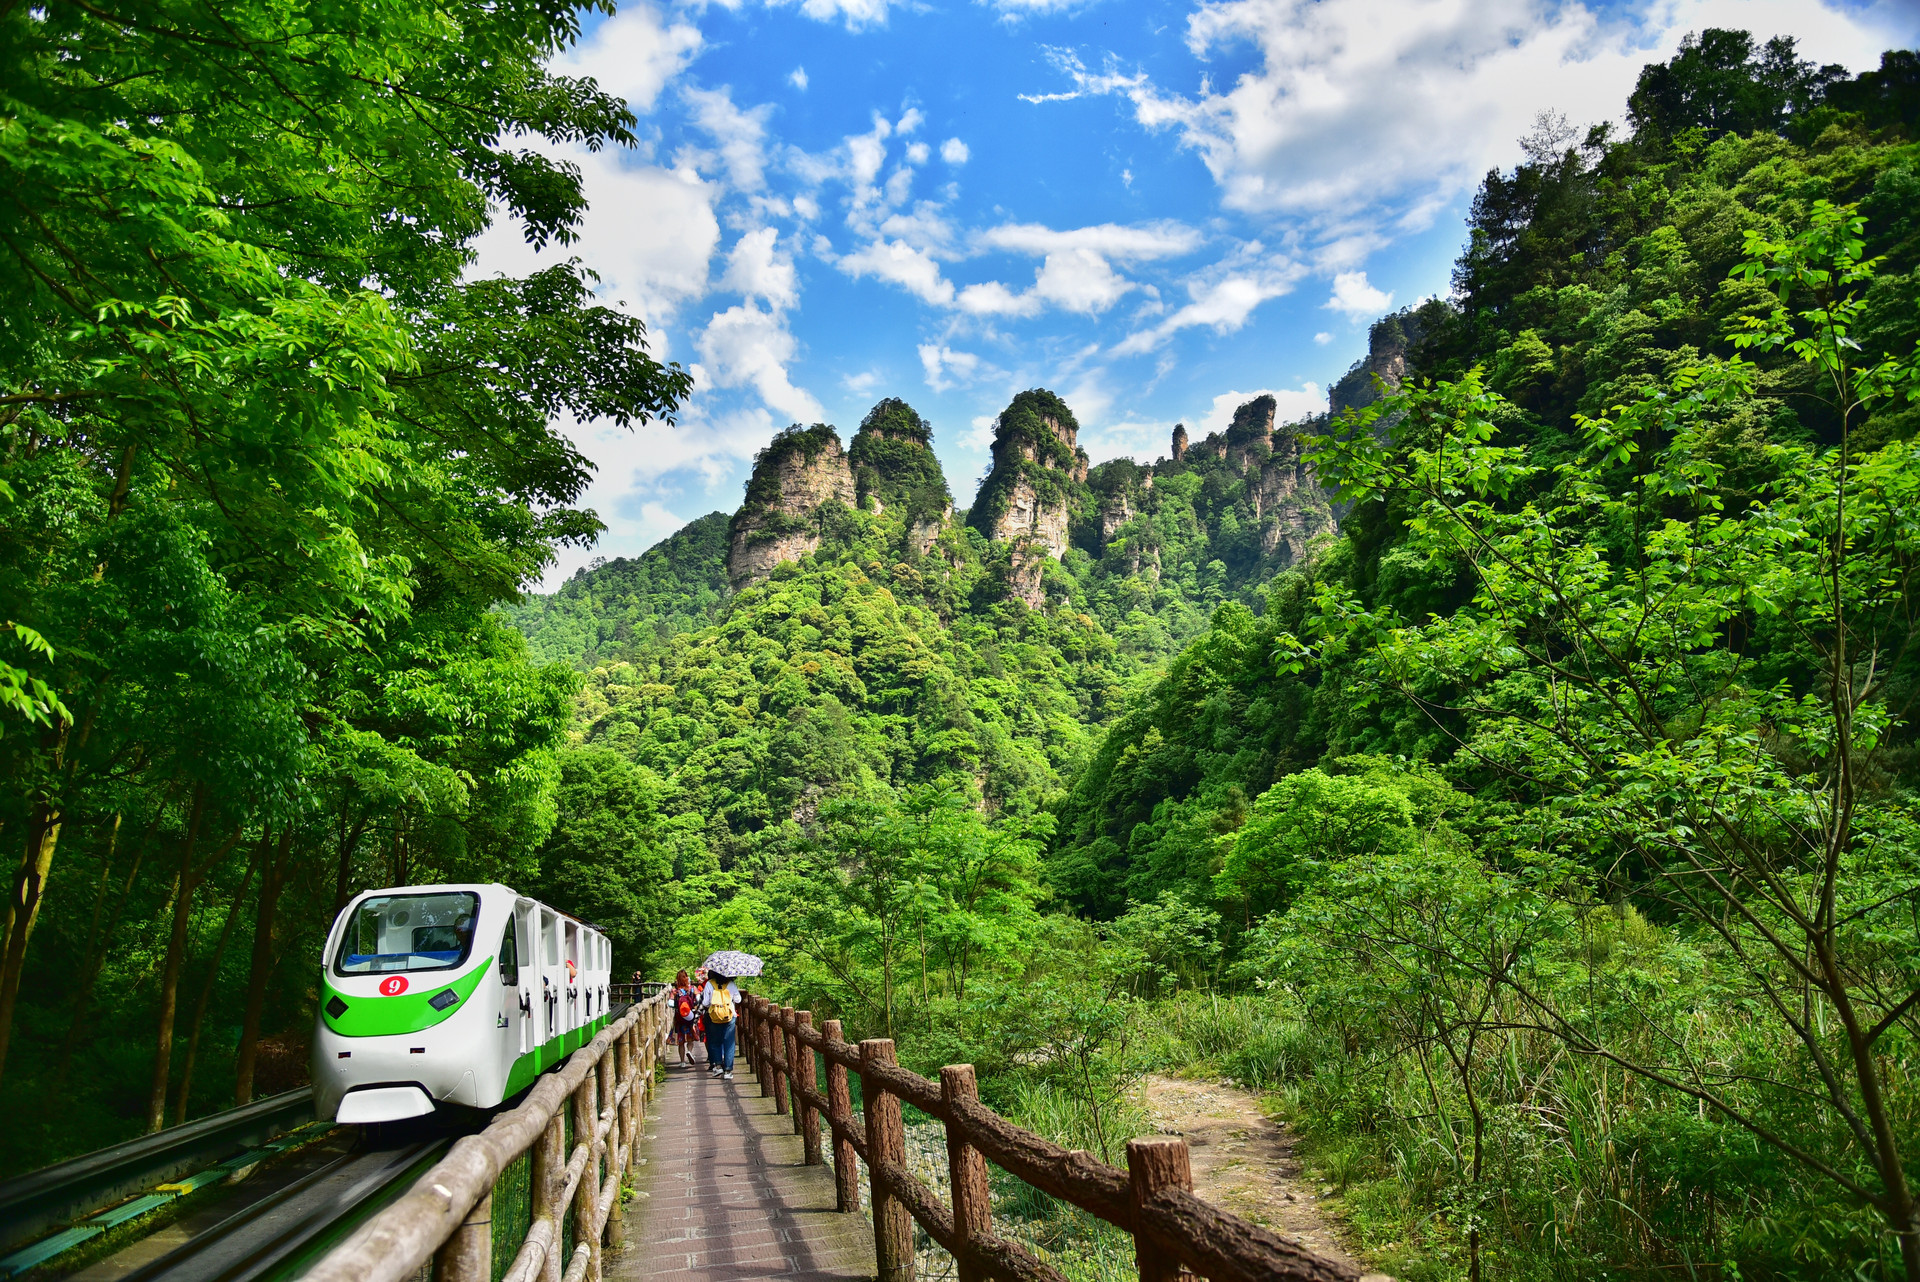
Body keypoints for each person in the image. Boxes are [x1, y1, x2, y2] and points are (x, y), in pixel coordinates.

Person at [699, 970, 741, 1080]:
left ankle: (718, 1066)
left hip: (714, 1016)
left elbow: (705, 1003)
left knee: (715, 1041)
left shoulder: (709, 984)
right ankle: (728, 1070)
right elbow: (738, 999)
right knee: (729, 1043)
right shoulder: (731, 984)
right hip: (729, 1016)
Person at [669, 970, 701, 1066]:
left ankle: (682, 1062)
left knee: (681, 1040)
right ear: (687, 977)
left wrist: (676, 1004)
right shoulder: (692, 988)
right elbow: (699, 999)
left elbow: (670, 1004)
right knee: (690, 1038)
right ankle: (690, 1051)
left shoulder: (675, 991)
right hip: (691, 1016)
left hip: (680, 1018)